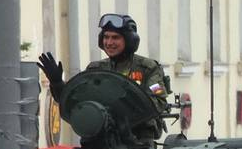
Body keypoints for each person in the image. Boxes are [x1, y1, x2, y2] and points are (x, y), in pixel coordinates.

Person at [38, 12, 171, 107]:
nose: (109, 42)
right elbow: (74, 102)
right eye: (106, 37)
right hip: (99, 138)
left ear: (130, 40)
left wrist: (126, 103)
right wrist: (57, 83)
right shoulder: (95, 69)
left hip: (138, 141)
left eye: (115, 37)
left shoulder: (147, 68)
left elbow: (159, 101)